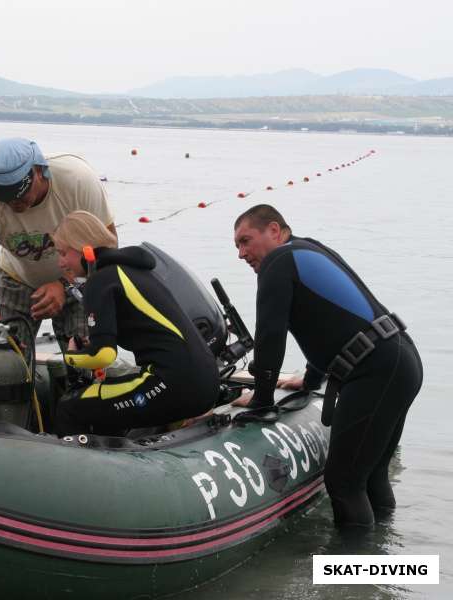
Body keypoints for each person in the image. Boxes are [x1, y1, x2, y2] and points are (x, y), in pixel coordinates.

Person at [232, 204, 423, 527]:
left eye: (245, 240)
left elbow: (270, 335)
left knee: (344, 484)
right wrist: (309, 380)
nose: (241, 253)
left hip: (375, 370)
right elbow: (326, 321)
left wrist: (262, 401)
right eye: (237, 245)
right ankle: (383, 562)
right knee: (371, 474)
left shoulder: (277, 262)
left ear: (275, 231)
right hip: (400, 360)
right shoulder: (304, 251)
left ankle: (346, 577)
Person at [51, 211, 219, 436]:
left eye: (63, 253)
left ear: (83, 247)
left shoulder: (99, 281)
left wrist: (69, 357)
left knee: (70, 407)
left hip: (170, 383)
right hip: (206, 383)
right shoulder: (132, 270)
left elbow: (102, 356)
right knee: (102, 401)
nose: (60, 263)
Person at [0, 138, 115, 353]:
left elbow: (109, 249)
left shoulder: (77, 180)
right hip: (18, 279)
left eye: (20, 194)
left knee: (86, 359)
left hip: (80, 278)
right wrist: (1, 334)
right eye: (5, 198)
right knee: (5, 363)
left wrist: (65, 285)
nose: (14, 203)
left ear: (39, 171)